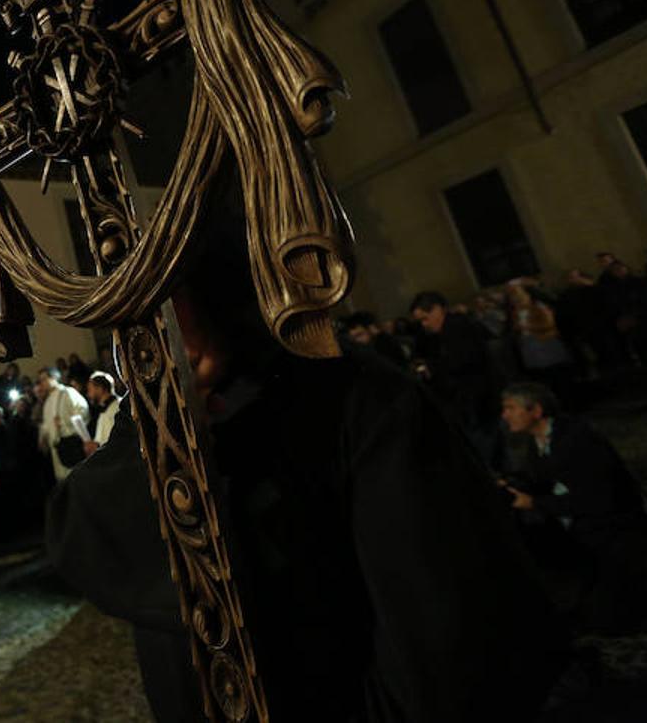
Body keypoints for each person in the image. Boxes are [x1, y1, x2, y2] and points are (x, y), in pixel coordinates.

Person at [50, 238, 565, 722]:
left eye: (165, 300)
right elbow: (89, 540)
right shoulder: (153, 407)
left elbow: (446, 634)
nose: (145, 333)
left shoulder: (355, 395)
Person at [500, 382, 647, 633]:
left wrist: (534, 503)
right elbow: (544, 477)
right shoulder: (538, 441)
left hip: (615, 533)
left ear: (535, 411)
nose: (505, 415)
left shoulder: (577, 440)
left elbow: (596, 499)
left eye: (511, 408)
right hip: (588, 534)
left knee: (612, 615)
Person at [410, 290, 503, 468]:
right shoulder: (434, 335)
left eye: (425, 318)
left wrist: (432, 368)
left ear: (437, 310)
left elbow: (466, 361)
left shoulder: (460, 328)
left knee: (484, 444)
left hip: (475, 397)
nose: (424, 325)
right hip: (463, 399)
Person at [35, 367, 90, 480]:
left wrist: (64, 424)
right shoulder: (48, 400)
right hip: (57, 449)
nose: (42, 383)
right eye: (40, 380)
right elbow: (46, 424)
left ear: (54, 377)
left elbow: (82, 411)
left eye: (44, 379)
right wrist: (43, 437)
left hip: (70, 445)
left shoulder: (67, 392)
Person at [84, 371, 120, 452]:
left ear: (100, 389)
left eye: (90, 389)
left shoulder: (117, 408)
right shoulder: (103, 411)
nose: (88, 394)